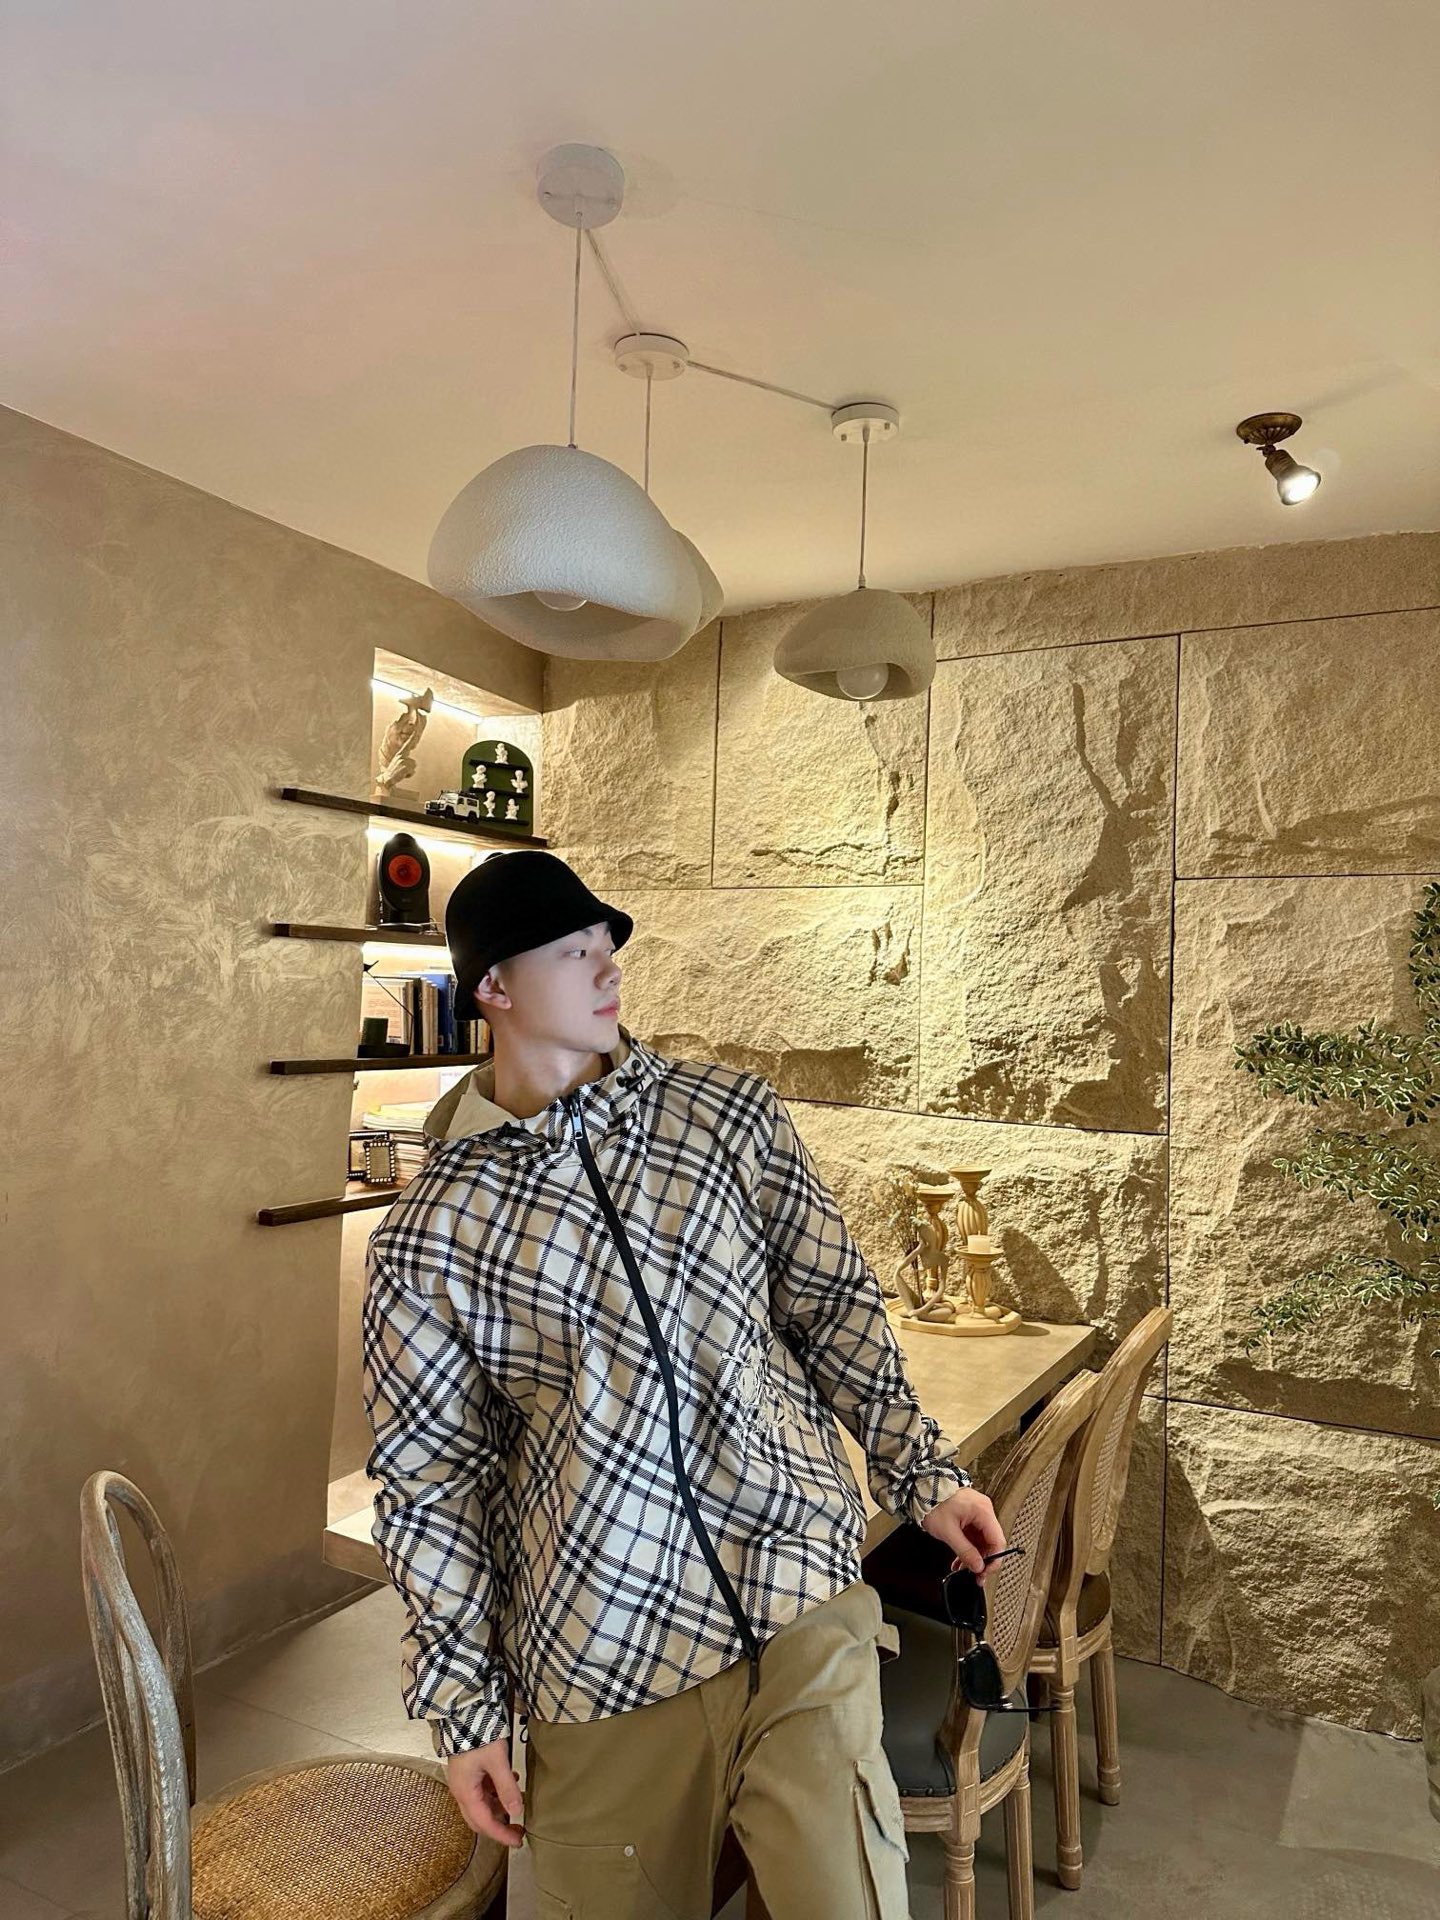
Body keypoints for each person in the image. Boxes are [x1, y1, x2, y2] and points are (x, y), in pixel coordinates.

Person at [361, 850, 1005, 1918]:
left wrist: (921, 1473)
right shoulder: (430, 1233)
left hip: (797, 1599)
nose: (608, 969)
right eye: (573, 952)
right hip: (603, 1656)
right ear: (494, 987)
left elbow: (832, 1304)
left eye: (607, 946)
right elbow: (431, 1487)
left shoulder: (724, 1119)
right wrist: (463, 1707)